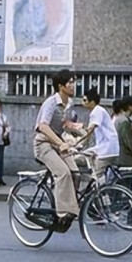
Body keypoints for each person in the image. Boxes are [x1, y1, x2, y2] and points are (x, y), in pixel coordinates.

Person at [33, 70, 85, 227]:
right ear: (61, 86)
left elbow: (65, 124)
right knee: (63, 173)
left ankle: (70, 207)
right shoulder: (51, 102)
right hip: (44, 143)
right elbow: (42, 126)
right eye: (70, 82)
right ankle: (61, 213)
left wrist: (83, 131)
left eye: (73, 82)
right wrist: (61, 143)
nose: (73, 85)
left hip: (58, 142)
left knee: (75, 173)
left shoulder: (68, 103)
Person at [78, 88, 118, 179]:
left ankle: (99, 191)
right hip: (105, 147)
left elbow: (90, 129)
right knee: (86, 155)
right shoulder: (97, 111)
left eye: (85, 100)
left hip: (107, 149)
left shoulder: (97, 111)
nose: (82, 102)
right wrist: (81, 143)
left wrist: (77, 143)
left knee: (96, 176)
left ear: (92, 102)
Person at [115, 95, 132, 168]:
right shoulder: (125, 122)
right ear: (130, 106)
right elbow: (128, 142)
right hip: (126, 159)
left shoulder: (119, 119)